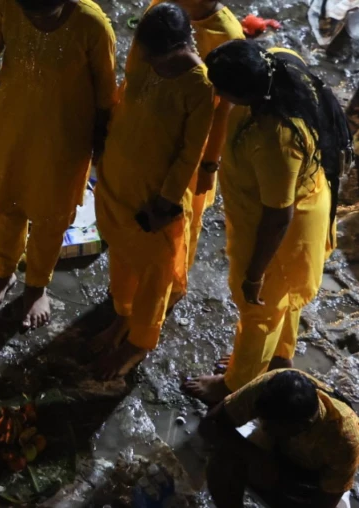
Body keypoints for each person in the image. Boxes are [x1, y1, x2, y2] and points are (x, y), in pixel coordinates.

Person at [184, 41, 349, 404]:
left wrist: (255, 272)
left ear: (242, 92)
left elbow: (278, 217)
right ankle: (278, 356)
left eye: (219, 86)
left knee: (259, 305)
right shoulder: (275, 63)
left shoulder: (276, 139)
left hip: (284, 231)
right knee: (280, 302)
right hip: (285, 206)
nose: (214, 91)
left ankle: (235, 385)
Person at [0, 0, 117, 330]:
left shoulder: (92, 24)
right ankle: (2, 275)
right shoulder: (8, 5)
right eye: (30, 11)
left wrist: (100, 145)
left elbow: (106, 91)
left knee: (51, 215)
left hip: (64, 135)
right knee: (6, 205)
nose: (36, 17)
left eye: (45, 11)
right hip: (11, 123)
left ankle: (36, 286)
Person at [91, 3, 215, 379]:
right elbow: (123, 98)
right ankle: (121, 316)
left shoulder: (199, 86)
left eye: (158, 56)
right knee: (120, 252)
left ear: (181, 45)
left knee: (153, 273)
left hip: (154, 196)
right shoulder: (144, 54)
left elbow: (189, 155)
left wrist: (165, 202)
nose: (150, 60)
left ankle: (137, 343)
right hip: (116, 179)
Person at [141, 0, 245, 302]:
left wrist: (210, 164)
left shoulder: (227, 34)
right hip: (157, 128)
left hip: (195, 142)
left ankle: (171, 284)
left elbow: (224, 109)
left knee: (183, 217)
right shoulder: (164, 9)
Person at [199, 369, 359, 507]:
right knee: (222, 462)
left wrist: (281, 482)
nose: (266, 428)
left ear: (302, 426)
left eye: (274, 426)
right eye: (265, 420)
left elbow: (326, 501)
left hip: (313, 481)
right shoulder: (271, 386)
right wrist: (253, 455)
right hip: (273, 452)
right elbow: (209, 425)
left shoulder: (343, 438)